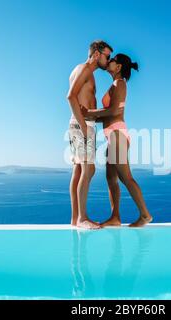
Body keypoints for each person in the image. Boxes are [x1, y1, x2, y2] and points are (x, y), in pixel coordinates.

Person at [82, 54, 153, 227]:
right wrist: (85, 117)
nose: (109, 62)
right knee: (111, 178)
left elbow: (113, 111)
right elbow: (108, 115)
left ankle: (145, 215)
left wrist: (89, 113)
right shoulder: (115, 84)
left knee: (125, 177)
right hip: (111, 134)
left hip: (117, 134)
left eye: (112, 60)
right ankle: (115, 217)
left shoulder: (120, 83)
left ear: (119, 66)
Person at [66, 40, 113, 229]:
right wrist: (84, 127)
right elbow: (70, 96)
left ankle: (75, 218)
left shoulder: (84, 71)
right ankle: (82, 218)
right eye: (106, 56)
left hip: (82, 124)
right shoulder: (85, 69)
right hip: (82, 125)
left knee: (78, 170)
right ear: (96, 54)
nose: (107, 60)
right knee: (88, 170)